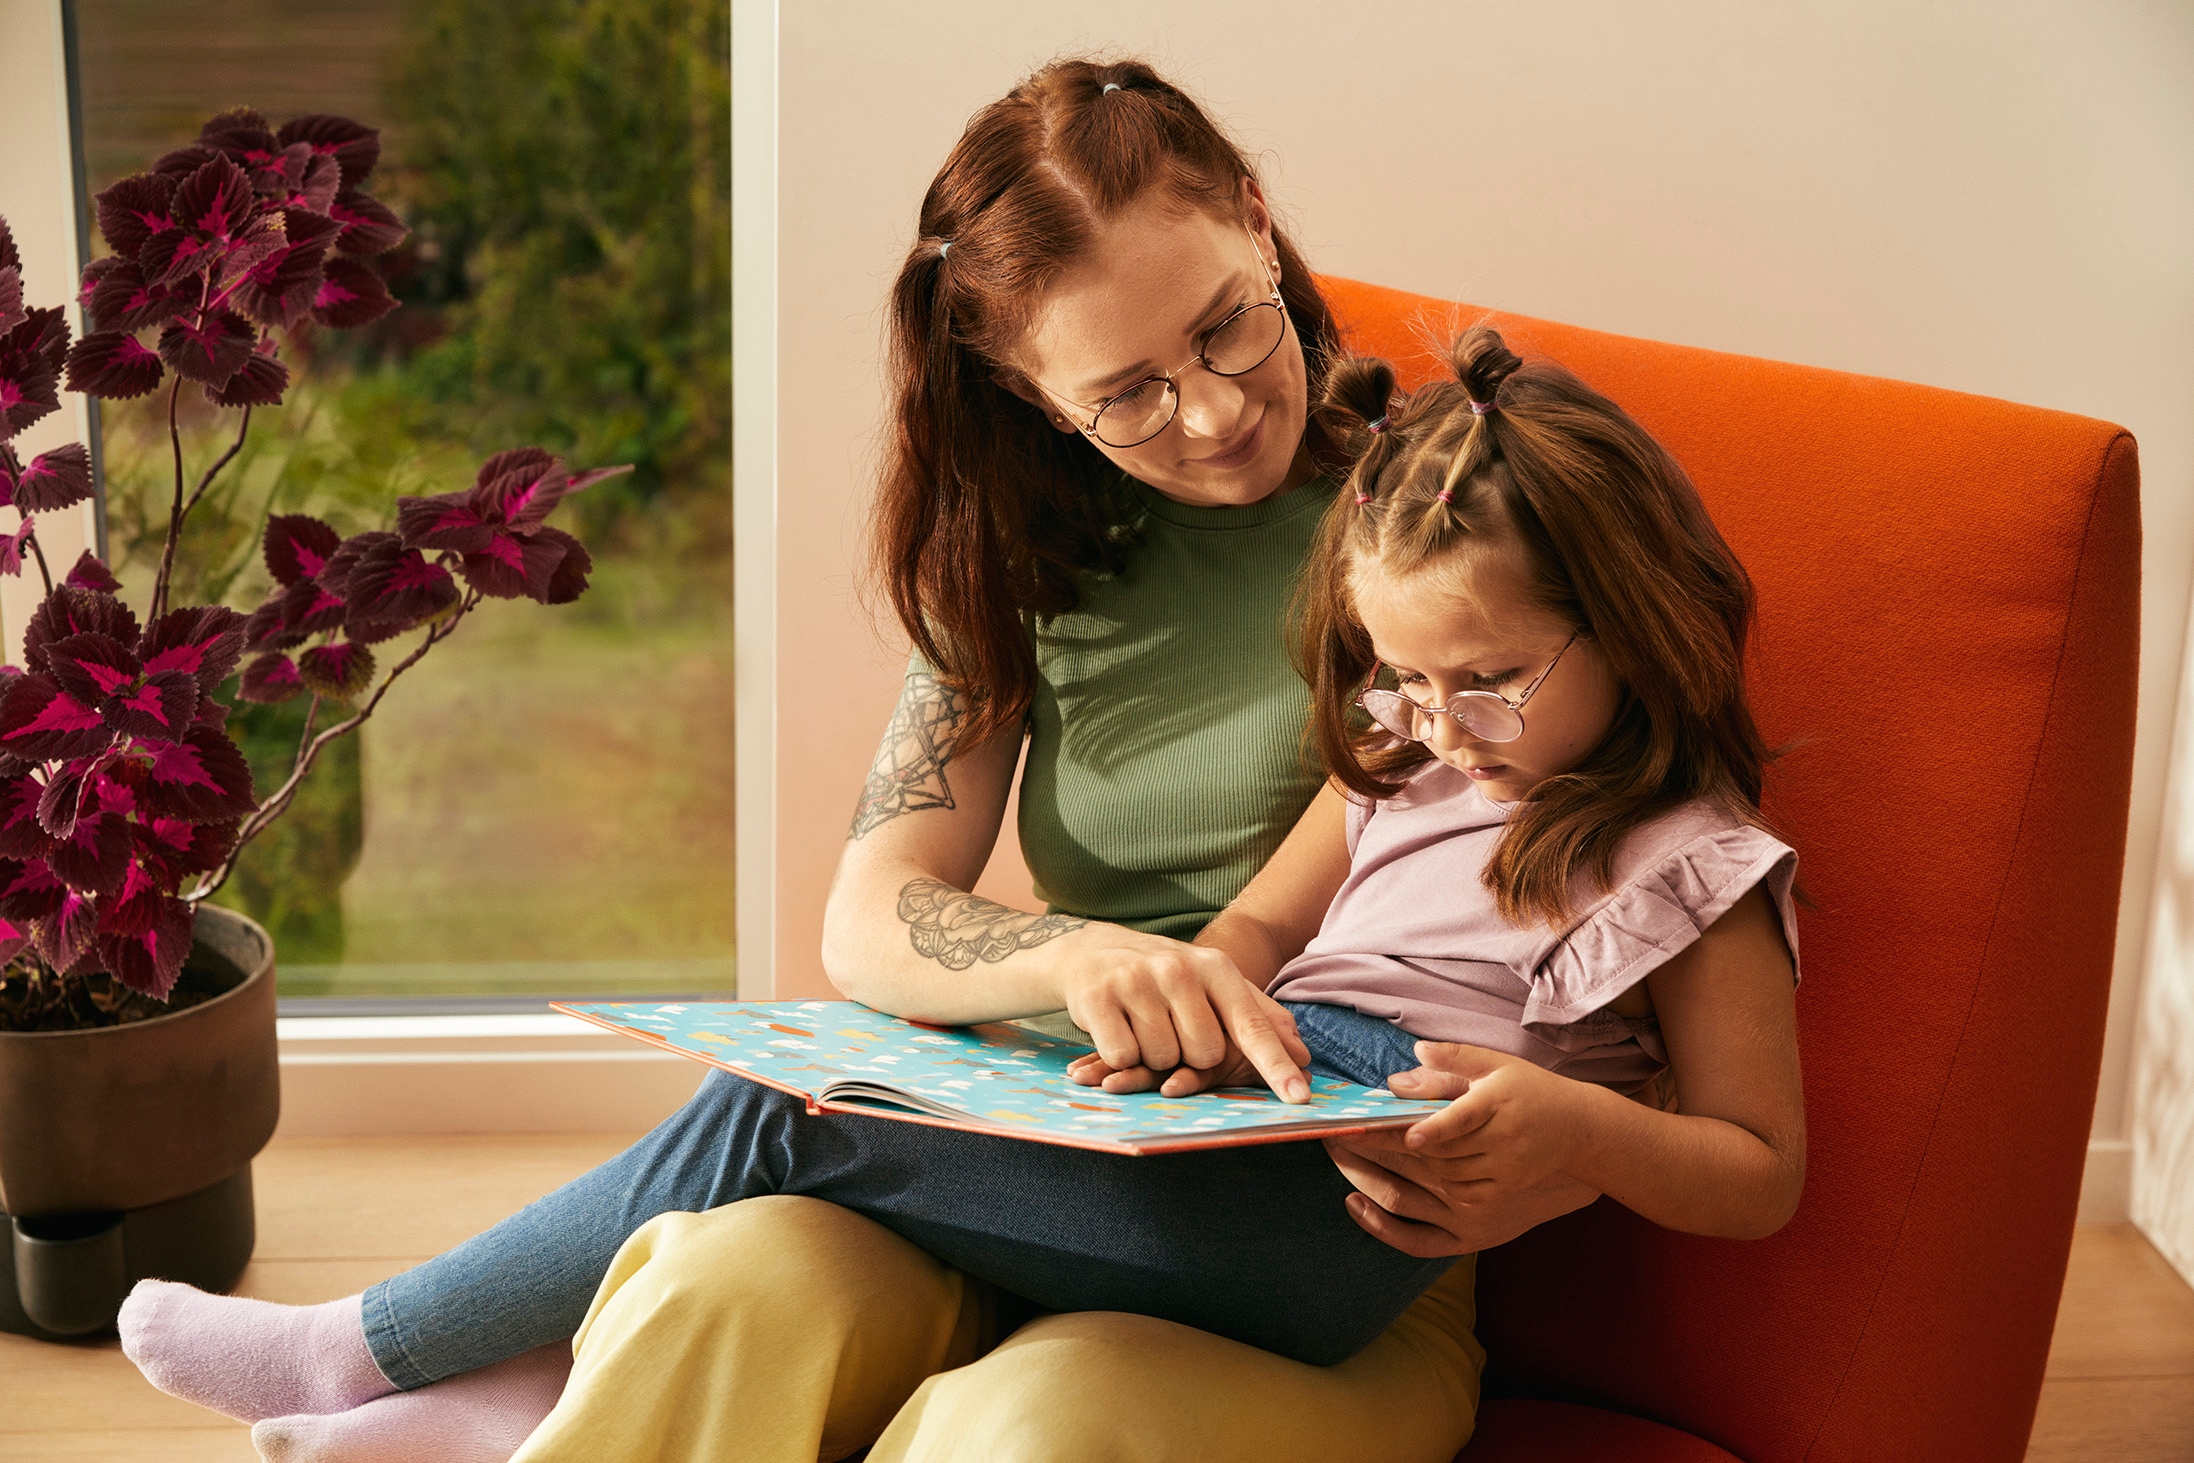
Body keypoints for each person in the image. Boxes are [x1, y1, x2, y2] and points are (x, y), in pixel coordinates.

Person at [111, 59, 1790, 1463]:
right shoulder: (1025, 563)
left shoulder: (1434, 542)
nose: (1206, 415)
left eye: (1226, 330)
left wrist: (1554, 1149)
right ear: (1025, 395)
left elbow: (1622, 1042)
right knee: (727, 1270)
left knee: (959, 1337)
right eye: (1125, 391)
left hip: (1320, 1240)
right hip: (1063, 1128)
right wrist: (1096, 958)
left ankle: (409, 1361)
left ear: (1259, 227)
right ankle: (515, 1403)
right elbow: (880, 916)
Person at [492, 326, 1807, 1463]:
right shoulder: (1401, 761)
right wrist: (1190, 1014)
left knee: (781, 1114)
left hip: (1352, 1224)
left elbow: (1756, 1173)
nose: (1443, 726)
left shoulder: (1694, 865)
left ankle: (400, 1350)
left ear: (1627, 623)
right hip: (1261, 1108)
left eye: (1489, 679)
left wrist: (1577, 1133)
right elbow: (1256, 933)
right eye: (1403, 678)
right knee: (776, 1200)